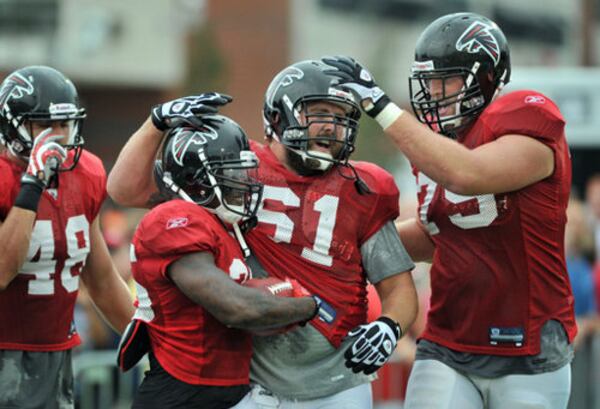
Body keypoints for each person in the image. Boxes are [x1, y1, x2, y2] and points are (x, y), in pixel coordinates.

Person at [107, 63, 418, 408]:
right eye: (318, 112)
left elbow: (398, 288)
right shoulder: (240, 167)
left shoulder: (364, 189)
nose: (331, 125)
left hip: (339, 381)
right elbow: (126, 190)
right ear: (279, 116)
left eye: (340, 114)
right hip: (255, 385)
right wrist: (157, 122)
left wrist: (390, 327)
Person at [321, 11, 576, 409]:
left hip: (526, 342)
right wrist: (347, 248)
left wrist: (382, 108)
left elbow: (467, 174)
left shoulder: (527, 117)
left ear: (487, 77)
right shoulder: (435, 147)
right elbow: (438, 233)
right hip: (448, 339)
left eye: (447, 81)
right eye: (430, 84)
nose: (435, 94)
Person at [118, 116, 322, 408]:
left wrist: (278, 309)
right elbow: (235, 309)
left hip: (226, 392)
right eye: (231, 173)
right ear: (195, 180)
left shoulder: (225, 226)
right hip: (180, 394)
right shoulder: (174, 218)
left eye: (243, 173)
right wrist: (310, 306)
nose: (242, 183)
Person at [0, 65, 134, 408]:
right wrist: (32, 185)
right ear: (12, 126)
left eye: (64, 123)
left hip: (56, 354)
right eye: (44, 124)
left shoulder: (84, 174)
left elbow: (101, 279)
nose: (57, 134)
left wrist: (153, 343)